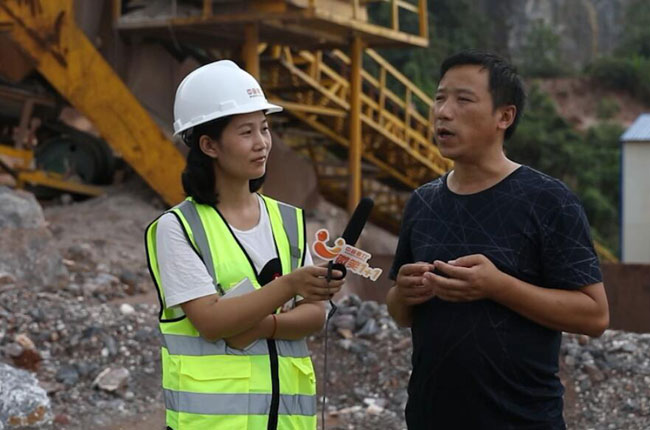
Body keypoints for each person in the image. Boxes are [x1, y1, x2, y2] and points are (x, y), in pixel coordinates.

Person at [386, 50, 609, 429]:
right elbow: (400, 314)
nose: (443, 112)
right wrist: (402, 295)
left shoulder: (547, 199)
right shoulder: (423, 202)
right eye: (439, 98)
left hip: (521, 420)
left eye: (463, 100)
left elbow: (595, 315)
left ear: (504, 116)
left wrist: (497, 286)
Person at [145, 60, 344, 430]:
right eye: (246, 132)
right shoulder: (179, 228)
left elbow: (316, 314)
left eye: (265, 129)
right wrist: (289, 286)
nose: (262, 143)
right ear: (209, 144)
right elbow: (209, 320)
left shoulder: (288, 221)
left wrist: (265, 325)